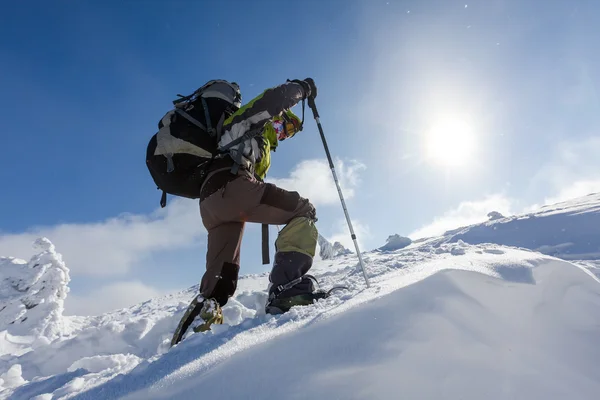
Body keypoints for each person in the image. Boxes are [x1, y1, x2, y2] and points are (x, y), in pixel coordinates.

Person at [192, 78, 323, 331]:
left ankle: (203, 320)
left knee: (223, 270)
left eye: (288, 133)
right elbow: (271, 101)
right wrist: (299, 89)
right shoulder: (246, 123)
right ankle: (287, 289)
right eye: (285, 125)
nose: (283, 133)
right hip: (232, 188)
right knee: (303, 208)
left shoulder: (252, 145)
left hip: (211, 203)